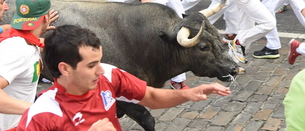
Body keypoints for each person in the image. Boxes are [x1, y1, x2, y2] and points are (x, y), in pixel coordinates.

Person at [16, 24, 231, 130]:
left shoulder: (108, 75)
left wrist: (189, 94)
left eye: (99, 61)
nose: (100, 70)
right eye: (91, 65)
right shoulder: (42, 114)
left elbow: (151, 97)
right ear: (64, 68)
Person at [0, 0, 59, 130]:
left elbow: (38, 43)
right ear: (46, 18)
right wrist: (38, 109)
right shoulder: (18, 50)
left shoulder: (25, 42)